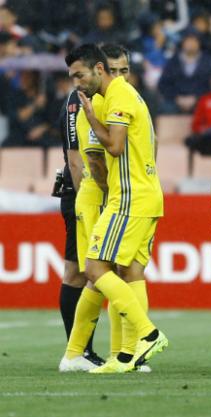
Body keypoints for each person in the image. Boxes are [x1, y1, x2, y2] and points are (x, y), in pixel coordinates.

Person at [65, 44, 168, 372]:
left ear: (98, 69)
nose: (76, 83)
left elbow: (110, 149)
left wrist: (93, 118)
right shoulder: (124, 96)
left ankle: (145, 335)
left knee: (95, 272)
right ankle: (125, 356)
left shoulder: (113, 98)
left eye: (79, 75)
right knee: (128, 272)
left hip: (125, 197)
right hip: (145, 194)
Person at [55, 71, 104, 372]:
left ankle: (81, 351)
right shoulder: (77, 101)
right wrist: (85, 202)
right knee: (78, 272)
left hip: (89, 194)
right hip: (81, 194)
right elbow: (75, 159)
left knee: (86, 272)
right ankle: (78, 352)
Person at [157, 31, 211, 114]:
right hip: (175, 101)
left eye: (194, 41)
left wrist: (196, 98)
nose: (191, 44)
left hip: (200, 100)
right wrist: (177, 98)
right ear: (183, 43)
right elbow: (163, 84)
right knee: (164, 108)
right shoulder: (173, 61)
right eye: (188, 41)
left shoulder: (208, 62)